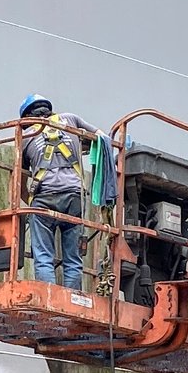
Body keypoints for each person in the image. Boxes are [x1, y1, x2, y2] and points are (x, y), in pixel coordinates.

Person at [17, 97, 114, 289]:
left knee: (43, 256)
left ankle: (48, 297)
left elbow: (19, 184)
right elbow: (103, 137)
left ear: (27, 118)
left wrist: (32, 202)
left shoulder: (26, 137)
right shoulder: (70, 120)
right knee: (73, 259)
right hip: (74, 197)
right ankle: (73, 298)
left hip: (44, 198)